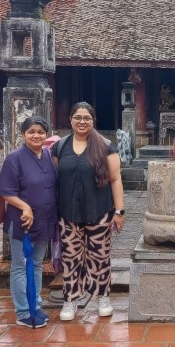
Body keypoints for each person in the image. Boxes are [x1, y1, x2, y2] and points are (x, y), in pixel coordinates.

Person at [52, 102, 125, 321]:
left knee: (100, 256)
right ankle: (70, 299)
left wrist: (119, 211)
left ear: (93, 120)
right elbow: (55, 178)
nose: (82, 122)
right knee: (71, 257)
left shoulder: (106, 146)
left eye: (87, 118)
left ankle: (103, 297)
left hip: (99, 210)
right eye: (78, 117)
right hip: (68, 212)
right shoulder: (60, 146)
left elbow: (115, 179)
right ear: (71, 120)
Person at [0, 117, 56, 329]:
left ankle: (35, 304)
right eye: (31, 131)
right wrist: (25, 207)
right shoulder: (14, 159)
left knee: (37, 262)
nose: (36, 135)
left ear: (46, 134)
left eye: (41, 131)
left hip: (45, 219)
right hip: (23, 221)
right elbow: (5, 191)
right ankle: (23, 311)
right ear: (23, 134)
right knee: (21, 266)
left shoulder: (48, 155)